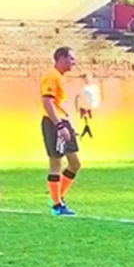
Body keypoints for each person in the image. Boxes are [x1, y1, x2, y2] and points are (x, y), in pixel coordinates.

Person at [41, 47, 81, 216]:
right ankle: (57, 205)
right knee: (56, 163)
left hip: (63, 122)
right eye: (71, 58)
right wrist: (59, 125)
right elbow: (47, 102)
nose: (74, 62)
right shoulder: (52, 75)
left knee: (75, 163)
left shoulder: (59, 77)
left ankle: (57, 197)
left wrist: (66, 124)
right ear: (61, 58)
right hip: (53, 123)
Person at [75, 73, 100, 139]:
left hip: (87, 106)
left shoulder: (92, 88)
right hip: (85, 106)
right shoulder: (83, 89)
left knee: (88, 117)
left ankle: (89, 134)